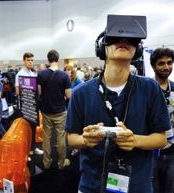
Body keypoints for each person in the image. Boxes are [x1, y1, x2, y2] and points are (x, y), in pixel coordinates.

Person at [66, 15, 169, 193]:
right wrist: (85, 140)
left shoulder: (150, 89)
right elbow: (71, 138)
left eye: (130, 39)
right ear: (101, 48)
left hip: (137, 185)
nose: (122, 41)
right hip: (92, 185)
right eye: (114, 37)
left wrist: (135, 140)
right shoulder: (81, 93)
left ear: (137, 49)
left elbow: (161, 138)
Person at [37, 49, 71, 170]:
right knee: (61, 137)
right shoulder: (64, 76)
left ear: (48, 59)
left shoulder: (41, 75)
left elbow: (39, 93)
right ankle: (61, 163)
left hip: (46, 111)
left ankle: (46, 162)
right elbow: (69, 95)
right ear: (58, 59)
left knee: (46, 138)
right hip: (60, 111)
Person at [150, 47, 174, 193]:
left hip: (172, 151)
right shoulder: (147, 89)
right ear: (153, 66)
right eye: (161, 63)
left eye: (169, 62)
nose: (166, 67)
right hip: (151, 151)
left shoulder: (173, 87)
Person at [15, 52, 43, 155]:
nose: (30, 62)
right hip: (25, 107)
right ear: (24, 61)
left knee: (33, 128)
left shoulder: (33, 73)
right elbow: (17, 92)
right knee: (26, 130)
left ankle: (33, 148)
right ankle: (27, 150)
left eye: (32, 60)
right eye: (28, 60)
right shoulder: (20, 74)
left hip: (33, 105)